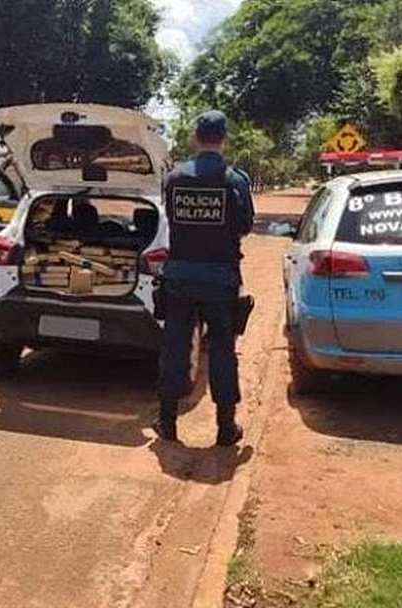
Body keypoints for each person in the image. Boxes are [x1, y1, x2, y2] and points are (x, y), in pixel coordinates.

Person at [154, 110, 254, 446]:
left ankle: (167, 423)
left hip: (180, 277)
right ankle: (226, 429)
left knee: (175, 348)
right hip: (220, 280)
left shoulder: (175, 178)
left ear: (196, 138)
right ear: (224, 139)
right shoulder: (234, 179)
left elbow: (172, 218)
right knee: (223, 351)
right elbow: (244, 225)